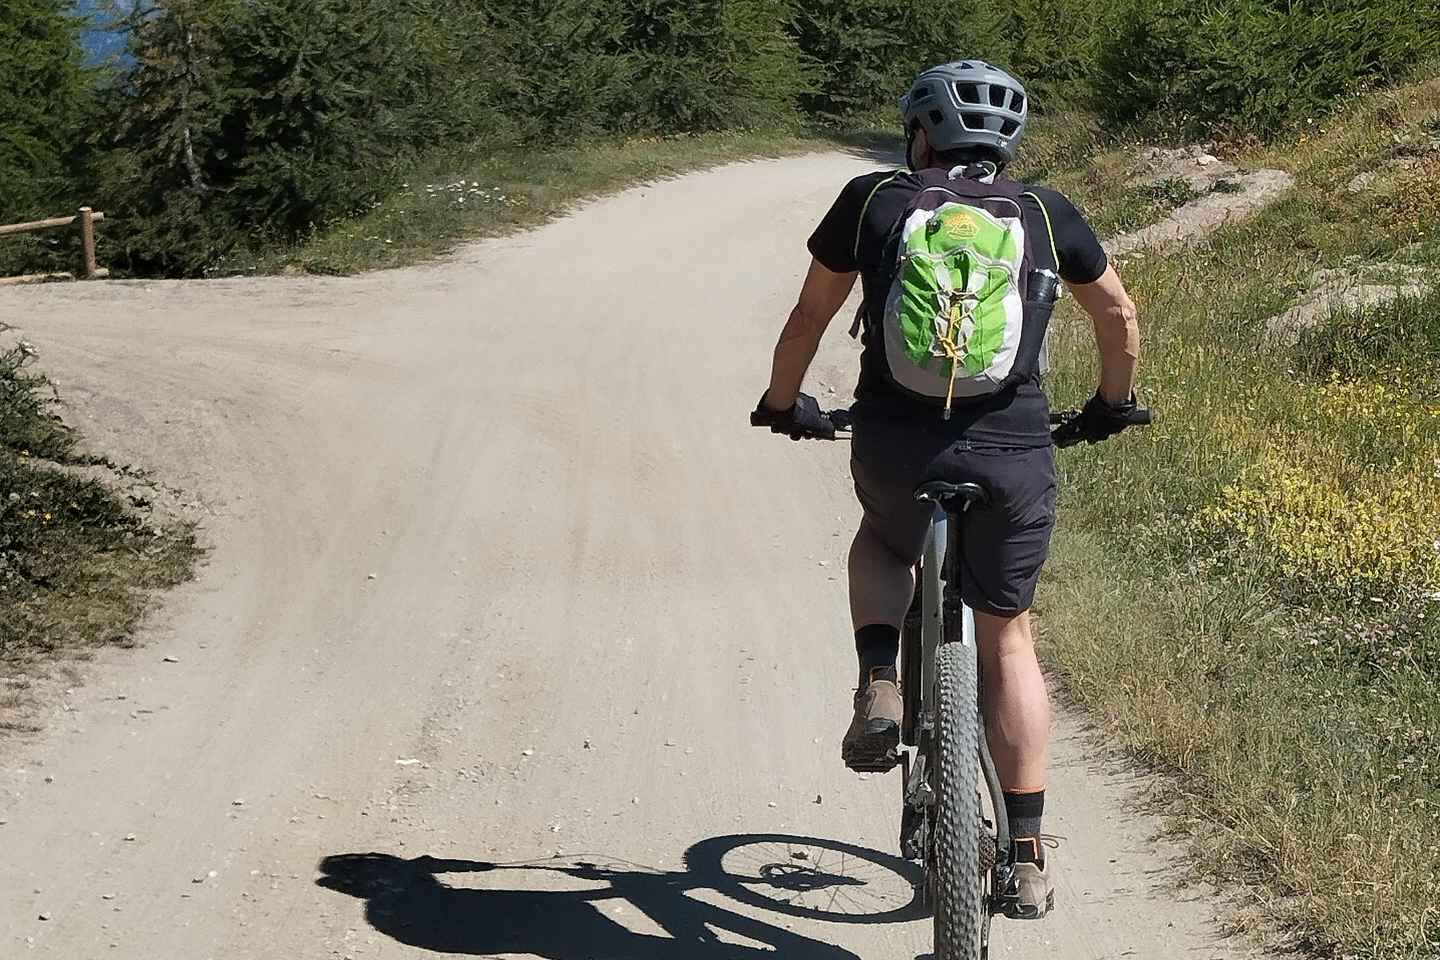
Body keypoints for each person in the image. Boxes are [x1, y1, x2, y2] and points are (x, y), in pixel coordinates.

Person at [751, 60, 1142, 920]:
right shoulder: (1043, 211)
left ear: (919, 133)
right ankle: (1029, 850)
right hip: (1012, 451)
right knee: (1008, 638)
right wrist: (1112, 404)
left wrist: (783, 404)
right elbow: (1116, 315)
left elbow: (808, 318)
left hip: (898, 444)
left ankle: (880, 679)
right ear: (1007, 142)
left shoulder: (873, 198)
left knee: (886, 540)